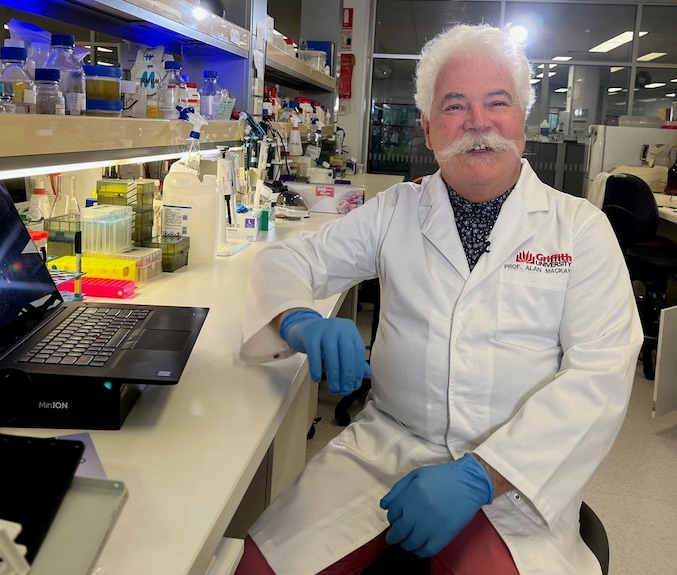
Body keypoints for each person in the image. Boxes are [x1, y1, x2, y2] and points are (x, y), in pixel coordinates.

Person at [236, 23, 643, 575]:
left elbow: (601, 374)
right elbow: (284, 260)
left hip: (514, 476)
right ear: (428, 129)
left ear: (521, 120)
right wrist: (298, 318)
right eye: (455, 106)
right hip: (386, 449)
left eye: (496, 103)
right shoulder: (396, 210)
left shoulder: (579, 230)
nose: (478, 122)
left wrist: (482, 474)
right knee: (259, 568)